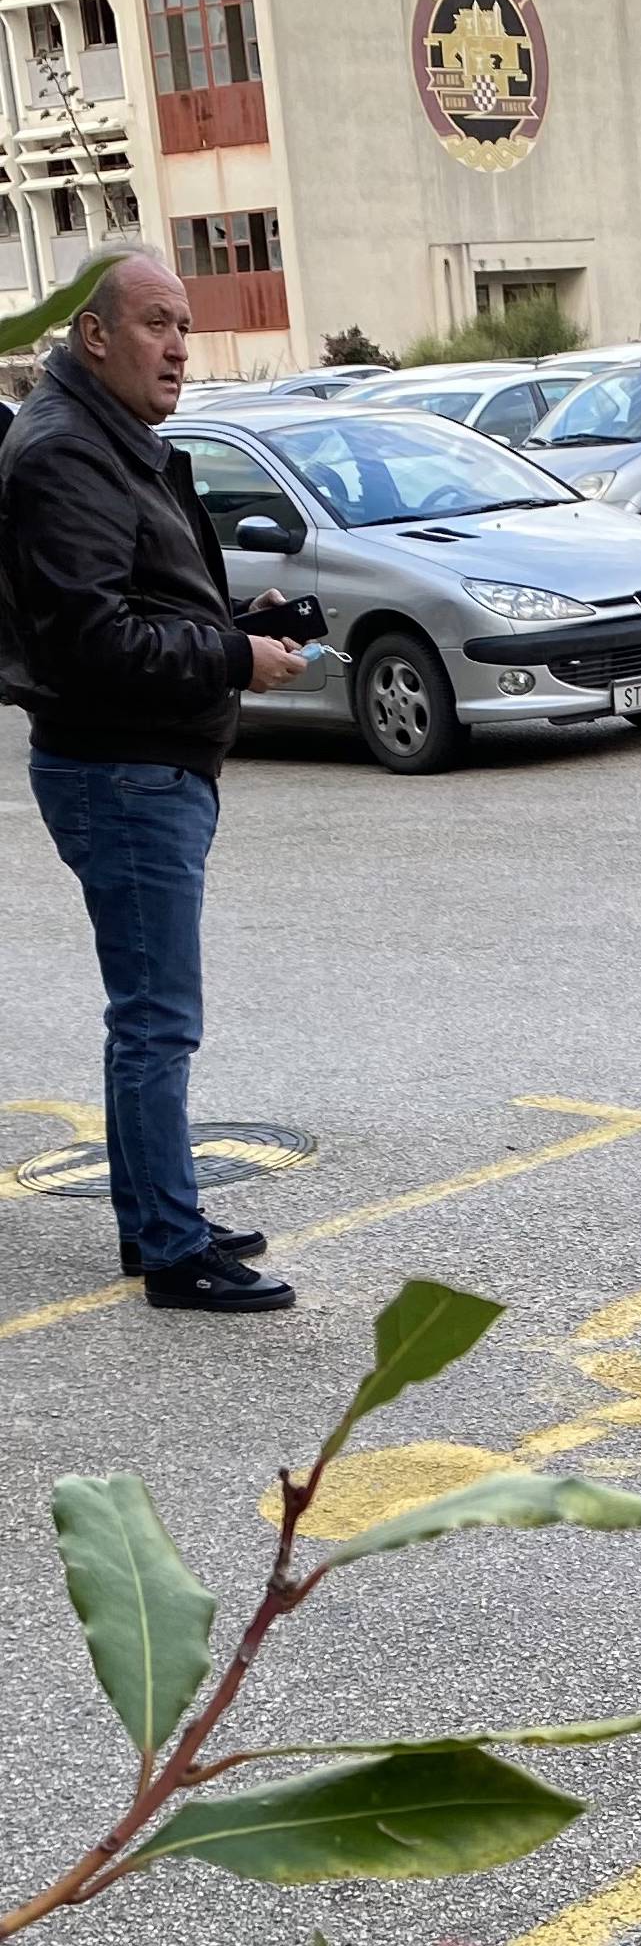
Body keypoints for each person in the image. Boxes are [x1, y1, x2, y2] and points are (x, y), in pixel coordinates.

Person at [0, 249, 308, 1312]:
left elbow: (135, 605)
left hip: (144, 762)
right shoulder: (65, 455)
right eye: (156, 324)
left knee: (149, 1014)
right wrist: (232, 661)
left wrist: (233, 628)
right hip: (121, 770)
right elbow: (92, 641)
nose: (180, 347)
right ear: (94, 336)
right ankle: (173, 1253)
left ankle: (157, 1217)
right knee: (156, 1019)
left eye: (186, 325)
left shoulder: (108, 438)